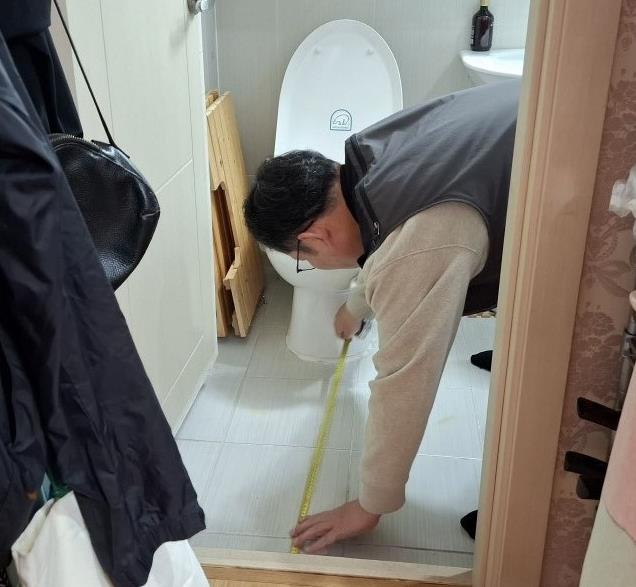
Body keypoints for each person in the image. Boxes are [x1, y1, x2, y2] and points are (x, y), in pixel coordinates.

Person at [244, 80, 520, 553]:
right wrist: (356, 306)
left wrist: (369, 504)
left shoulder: (425, 238)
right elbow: (386, 239)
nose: (311, 267)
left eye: (303, 260)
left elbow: (405, 381)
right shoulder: (372, 155)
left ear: (313, 238)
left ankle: (525, 509)